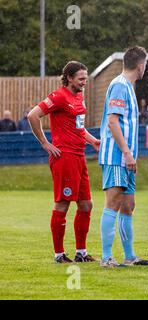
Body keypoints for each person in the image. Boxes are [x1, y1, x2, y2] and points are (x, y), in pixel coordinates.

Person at [28, 61, 100, 263]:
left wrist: (92, 140)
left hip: (79, 156)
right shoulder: (59, 96)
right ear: (69, 78)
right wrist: (45, 143)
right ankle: (59, 255)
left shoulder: (79, 96)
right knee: (63, 204)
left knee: (86, 205)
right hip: (64, 157)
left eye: (86, 78)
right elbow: (33, 115)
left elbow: (78, 127)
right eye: (81, 79)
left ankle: (81, 253)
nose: (84, 82)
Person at [98, 46, 148, 267]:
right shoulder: (120, 85)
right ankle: (106, 257)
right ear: (140, 65)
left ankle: (129, 256)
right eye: (145, 64)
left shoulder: (129, 86)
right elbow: (112, 121)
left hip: (126, 158)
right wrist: (127, 153)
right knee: (113, 202)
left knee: (128, 204)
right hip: (116, 156)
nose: (145, 68)